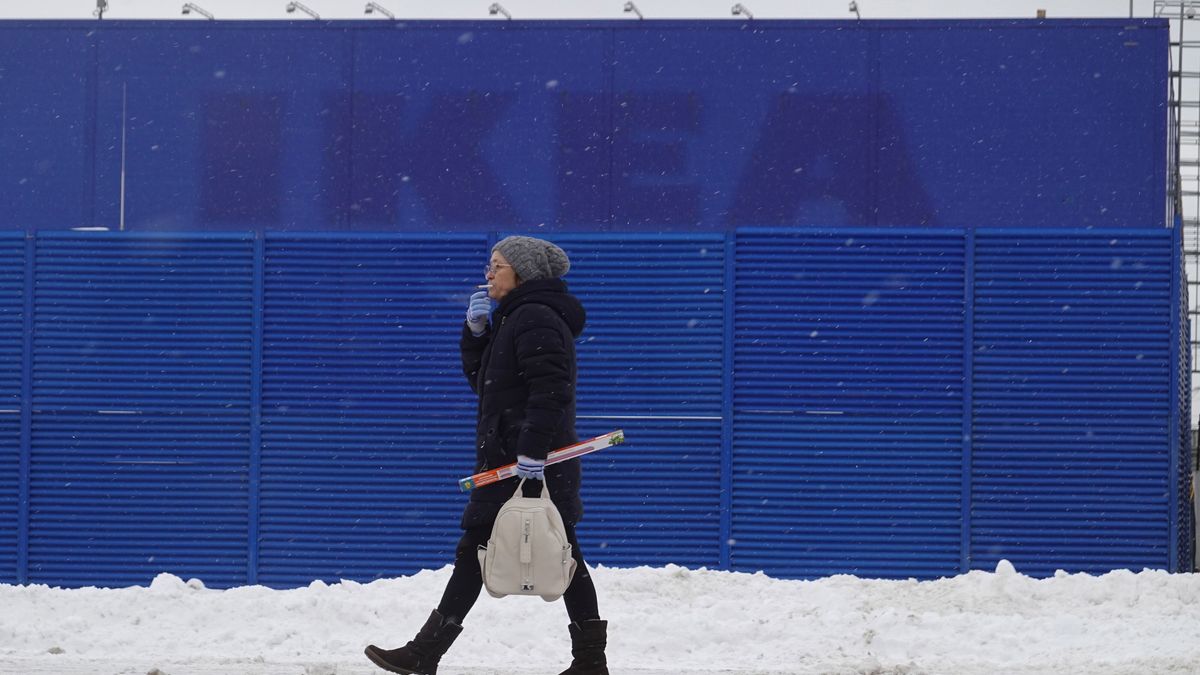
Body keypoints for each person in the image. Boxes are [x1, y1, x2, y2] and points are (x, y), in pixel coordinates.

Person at [365, 236, 607, 675]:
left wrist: (532, 455)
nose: (488, 274)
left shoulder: (534, 318)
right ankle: (589, 661)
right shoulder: (515, 319)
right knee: (558, 554)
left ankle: (425, 653)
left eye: (497, 265)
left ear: (522, 273)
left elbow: (550, 391)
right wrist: (476, 337)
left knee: (488, 552)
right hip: (510, 459)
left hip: (530, 464)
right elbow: (489, 389)